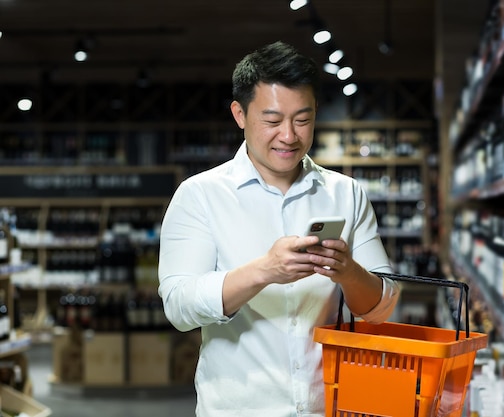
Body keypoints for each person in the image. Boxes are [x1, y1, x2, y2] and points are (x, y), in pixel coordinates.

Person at [158, 40, 400, 417]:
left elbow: (382, 308)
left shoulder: (346, 193)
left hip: (334, 406)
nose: (289, 135)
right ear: (239, 114)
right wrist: (265, 271)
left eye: (302, 120)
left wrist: (349, 272)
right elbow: (179, 306)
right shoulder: (200, 195)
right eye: (272, 121)